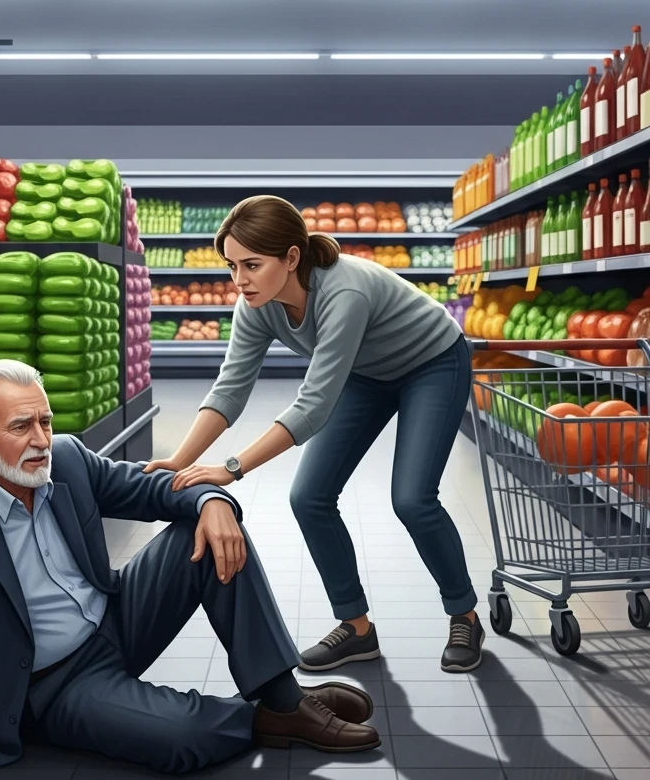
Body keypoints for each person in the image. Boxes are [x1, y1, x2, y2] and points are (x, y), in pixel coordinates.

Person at [0, 359, 379, 780]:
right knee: (183, 742)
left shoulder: (65, 458)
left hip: (114, 620)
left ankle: (284, 698)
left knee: (206, 531)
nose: (41, 439)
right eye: (21, 427)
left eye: (44, 420)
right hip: (50, 684)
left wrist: (212, 498)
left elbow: (150, 489)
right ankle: (266, 717)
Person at [145, 195, 482, 674]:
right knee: (310, 498)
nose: (239, 281)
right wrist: (180, 460)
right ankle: (357, 629)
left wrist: (232, 468)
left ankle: (464, 614)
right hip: (367, 374)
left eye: (252, 265)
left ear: (292, 258)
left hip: (431, 362)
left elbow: (313, 405)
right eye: (232, 266)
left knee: (412, 498)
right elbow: (230, 391)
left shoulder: (345, 291)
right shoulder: (256, 305)